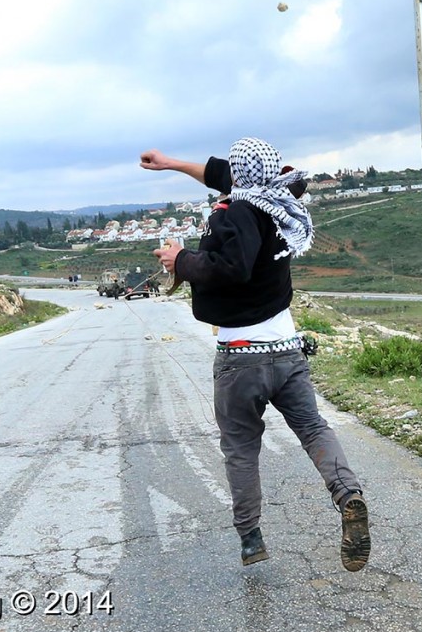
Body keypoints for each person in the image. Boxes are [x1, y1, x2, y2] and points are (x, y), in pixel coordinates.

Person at [141, 137, 370, 572]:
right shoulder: (279, 197)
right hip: (286, 352)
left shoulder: (241, 213)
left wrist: (180, 259)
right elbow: (224, 174)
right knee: (312, 427)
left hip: (240, 358)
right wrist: (171, 163)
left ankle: (250, 538)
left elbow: (231, 268)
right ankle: (349, 495)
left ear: (241, 176)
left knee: (241, 448)